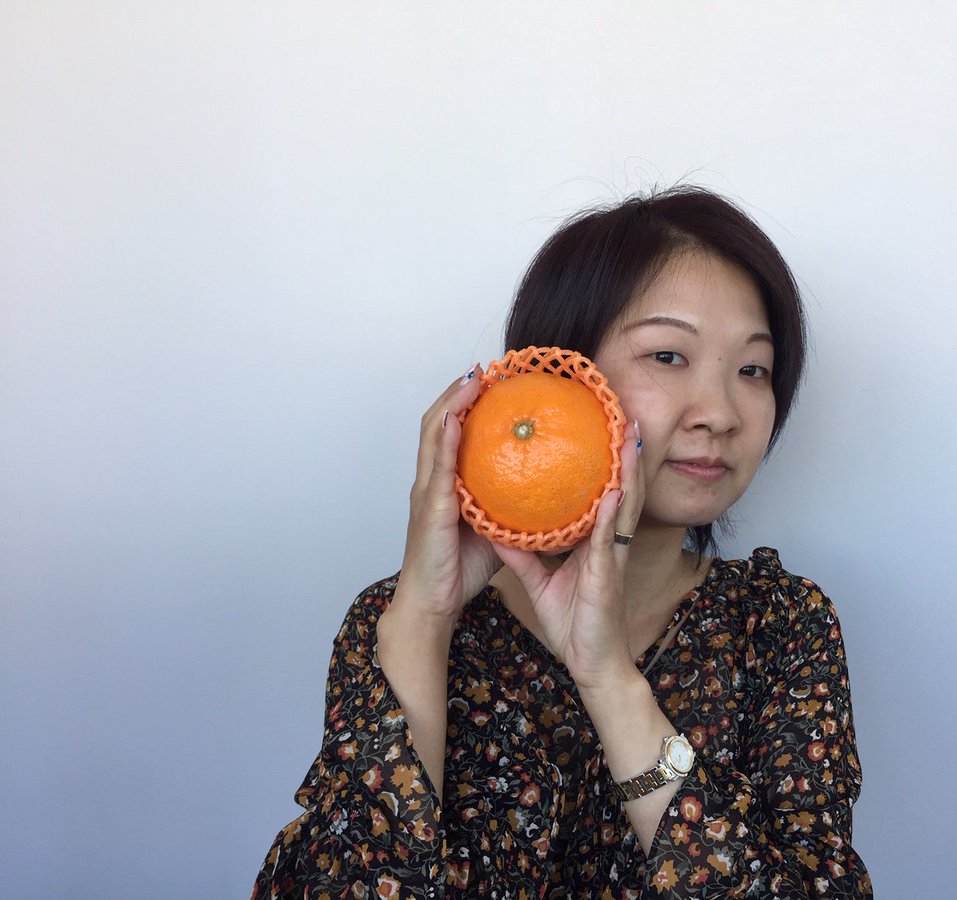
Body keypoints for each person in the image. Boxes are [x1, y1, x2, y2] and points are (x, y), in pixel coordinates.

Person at [253, 187, 872, 898]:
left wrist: (610, 680)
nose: (720, 414)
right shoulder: (400, 623)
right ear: (562, 374)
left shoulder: (779, 626)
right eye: (668, 355)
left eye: (752, 369)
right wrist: (423, 622)